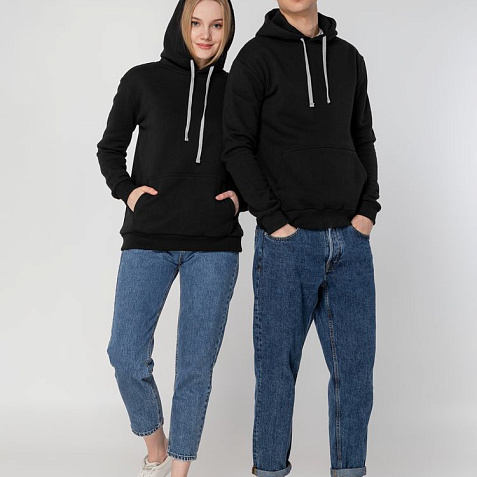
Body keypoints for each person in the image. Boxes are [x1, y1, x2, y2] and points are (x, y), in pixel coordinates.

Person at [223, 1, 381, 476]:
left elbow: (363, 136)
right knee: (276, 377)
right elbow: (236, 145)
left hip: (350, 242)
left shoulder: (349, 57)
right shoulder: (255, 57)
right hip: (286, 245)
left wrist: (367, 211)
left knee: (355, 378)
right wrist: (274, 220)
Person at [97, 1, 244, 476]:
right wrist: (128, 192)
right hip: (149, 237)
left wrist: (241, 199)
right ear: (181, 24)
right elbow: (110, 148)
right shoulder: (142, 80)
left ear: (227, 30)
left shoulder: (238, 90)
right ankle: (156, 445)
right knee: (125, 354)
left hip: (214, 245)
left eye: (217, 25)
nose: (206, 34)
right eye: (196, 23)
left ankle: (178, 470)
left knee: (194, 368)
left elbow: (262, 156)